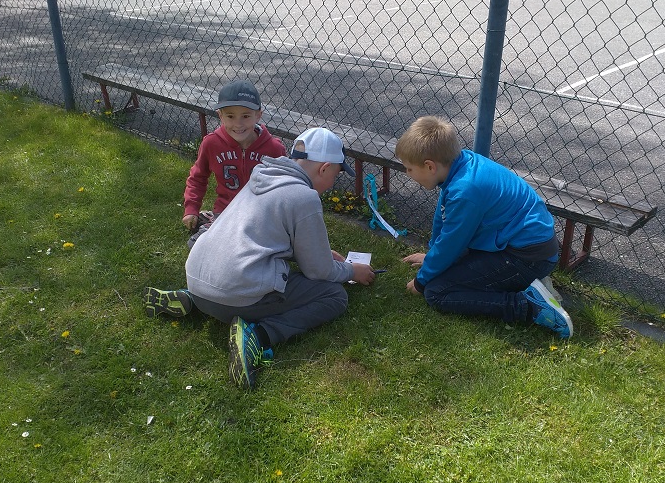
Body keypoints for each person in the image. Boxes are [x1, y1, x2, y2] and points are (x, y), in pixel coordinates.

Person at [144, 127, 377, 389]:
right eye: (335, 174)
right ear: (324, 169)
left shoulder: (263, 174)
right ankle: (258, 336)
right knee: (334, 296)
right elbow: (319, 272)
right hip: (235, 295)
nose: (333, 182)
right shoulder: (305, 197)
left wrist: (317, 252)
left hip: (198, 278)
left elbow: (262, 234)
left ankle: (191, 300)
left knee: (230, 281)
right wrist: (352, 271)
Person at [395, 115, 573, 338]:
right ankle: (528, 284)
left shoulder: (465, 191)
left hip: (527, 258)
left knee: (436, 292)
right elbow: (443, 217)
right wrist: (431, 256)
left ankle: (528, 306)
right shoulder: (461, 164)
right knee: (445, 270)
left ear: (429, 166)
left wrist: (421, 282)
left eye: (409, 169)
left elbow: (451, 244)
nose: (408, 174)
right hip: (526, 247)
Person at [182, 79, 287, 247]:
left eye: (246, 116)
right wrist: (191, 209)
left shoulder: (274, 149)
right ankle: (212, 222)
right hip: (226, 211)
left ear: (258, 115)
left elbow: (285, 188)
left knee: (263, 248)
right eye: (230, 116)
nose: (238, 124)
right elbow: (197, 178)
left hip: (260, 216)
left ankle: (214, 225)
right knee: (198, 245)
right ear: (220, 115)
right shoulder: (211, 143)